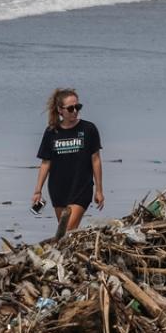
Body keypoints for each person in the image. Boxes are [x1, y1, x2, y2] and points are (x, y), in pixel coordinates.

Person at [32, 88, 103, 234]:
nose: (75, 111)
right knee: (65, 232)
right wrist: (38, 190)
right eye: (70, 108)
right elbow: (46, 163)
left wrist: (99, 190)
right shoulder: (51, 132)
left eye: (78, 107)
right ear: (60, 110)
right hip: (58, 189)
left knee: (67, 230)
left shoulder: (89, 129)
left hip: (82, 188)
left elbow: (95, 159)